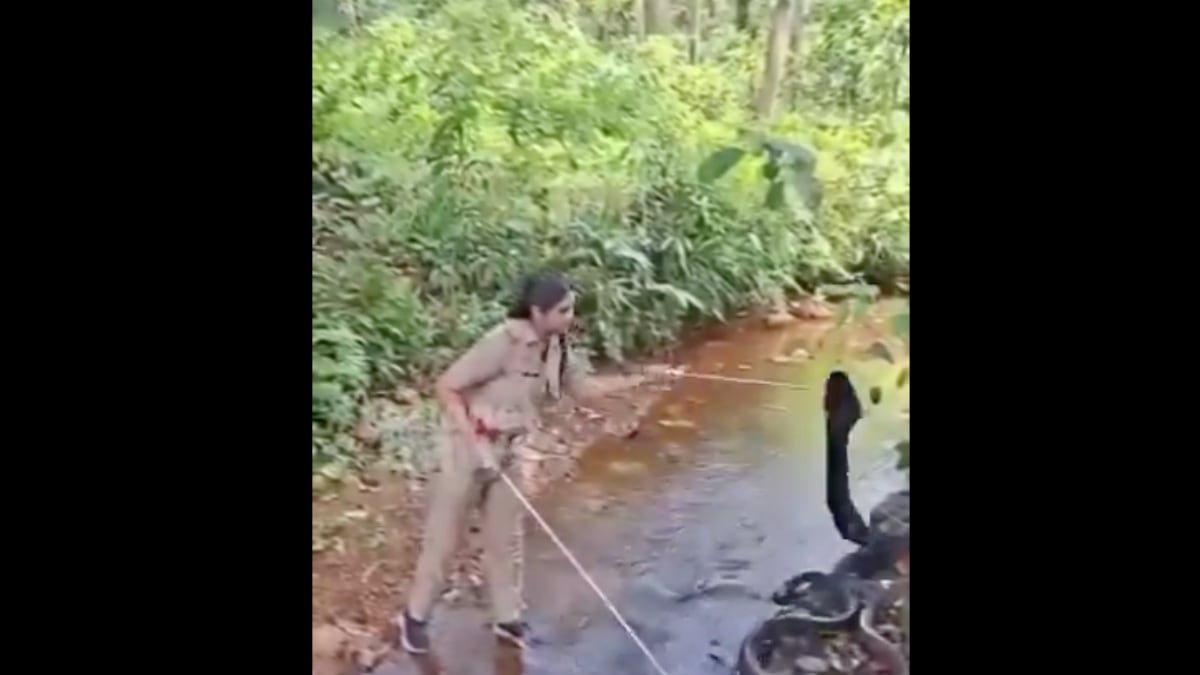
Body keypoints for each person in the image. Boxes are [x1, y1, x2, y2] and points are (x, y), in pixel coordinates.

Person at [395, 273, 675, 654]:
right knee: (444, 539)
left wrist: (643, 378)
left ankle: (507, 617)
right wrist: (475, 439)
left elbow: (583, 390)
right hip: (466, 450)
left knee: (506, 539)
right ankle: (414, 618)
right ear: (537, 312)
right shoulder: (501, 343)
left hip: (511, 450)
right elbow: (447, 386)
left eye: (571, 309)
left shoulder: (556, 346)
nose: (570, 316)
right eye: (563, 310)